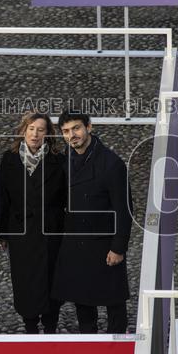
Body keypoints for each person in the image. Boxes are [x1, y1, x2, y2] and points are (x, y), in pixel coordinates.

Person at [52, 111, 132, 334]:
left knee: (113, 298)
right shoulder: (63, 161)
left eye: (76, 128)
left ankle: (118, 340)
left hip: (104, 241)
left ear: (89, 127)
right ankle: (89, 341)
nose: (72, 135)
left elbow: (124, 209)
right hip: (75, 241)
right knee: (82, 299)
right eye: (66, 131)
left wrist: (118, 247)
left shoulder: (112, 163)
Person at [0, 112, 66, 334]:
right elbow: (2, 198)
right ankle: (29, 328)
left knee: (51, 279)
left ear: (48, 134)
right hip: (21, 234)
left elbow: (66, 199)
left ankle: (50, 326)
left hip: (50, 233)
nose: (35, 134)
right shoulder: (9, 159)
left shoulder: (58, 160)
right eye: (31, 129)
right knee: (25, 280)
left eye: (41, 129)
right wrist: (2, 234)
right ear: (23, 131)